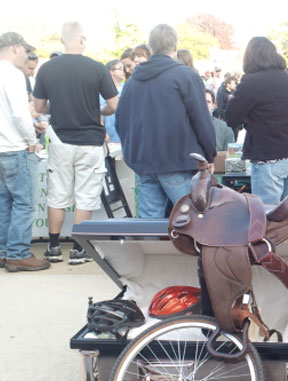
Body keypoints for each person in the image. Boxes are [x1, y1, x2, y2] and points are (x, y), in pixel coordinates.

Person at [33, 22, 119, 265]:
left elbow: (38, 107)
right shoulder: (97, 67)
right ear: (82, 39)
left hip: (60, 140)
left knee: (57, 195)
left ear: (62, 40)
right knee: (85, 196)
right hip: (90, 141)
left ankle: (53, 246)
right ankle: (79, 248)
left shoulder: (47, 68)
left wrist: (59, 109)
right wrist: (96, 110)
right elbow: (114, 105)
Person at [116, 24, 215, 218]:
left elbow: (120, 122)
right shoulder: (185, 76)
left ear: (151, 47)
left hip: (145, 162)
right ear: (175, 46)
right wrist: (209, 154)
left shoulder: (133, 81)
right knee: (192, 220)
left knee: (150, 225)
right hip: (177, 161)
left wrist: (133, 155)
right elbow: (201, 120)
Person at [225, 36, 288, 205]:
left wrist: (248, 117)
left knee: (266, 213)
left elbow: (231, 118)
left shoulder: (251, 82)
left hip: (270, 155)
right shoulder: (286, 78)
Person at [0, 32, 50, 272]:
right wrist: (32, 139)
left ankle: (4, 251)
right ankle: (18, 253)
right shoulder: (12, 74)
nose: (26, 57)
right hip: (16, 147)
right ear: (15, 48)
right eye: (25, 51)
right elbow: (20, 114)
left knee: (3, 203)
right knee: (23, 203)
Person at [103, 59, 125, 143]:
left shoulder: (127, 88)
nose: (124, 71)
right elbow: (98, 113)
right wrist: (103, 132)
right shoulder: (102, 90)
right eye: (120, 69)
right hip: (110, 136)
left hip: (126, 134)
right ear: (111, 71)